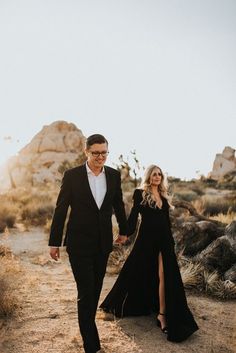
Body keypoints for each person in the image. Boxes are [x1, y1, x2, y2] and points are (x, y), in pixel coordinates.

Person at [100, 164, 199, 342]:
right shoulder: (140, 193)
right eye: (154, 174)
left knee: (164, 275)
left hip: (164, 242)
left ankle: (162, 314)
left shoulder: (163, 195)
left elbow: (166, 223)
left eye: (159, 174)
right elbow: (133, 218)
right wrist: (124, 233)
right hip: (146, 241)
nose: (157, 177)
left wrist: (171, 242)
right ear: (148, 176)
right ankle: (119, 302)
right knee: (135, 270)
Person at [49, 134, 128, 353]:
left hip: (103, 243)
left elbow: (118, 204)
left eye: (104, 152)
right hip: (79, 244)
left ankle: (86, 325)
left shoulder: (113, 175)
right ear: (86, 152)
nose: (100, 157)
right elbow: (61, 209)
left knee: (94, 290)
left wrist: (124, 230)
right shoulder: (72, 176)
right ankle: (92, 346)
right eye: (96, 153)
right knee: (85, 292)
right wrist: (54, 242)